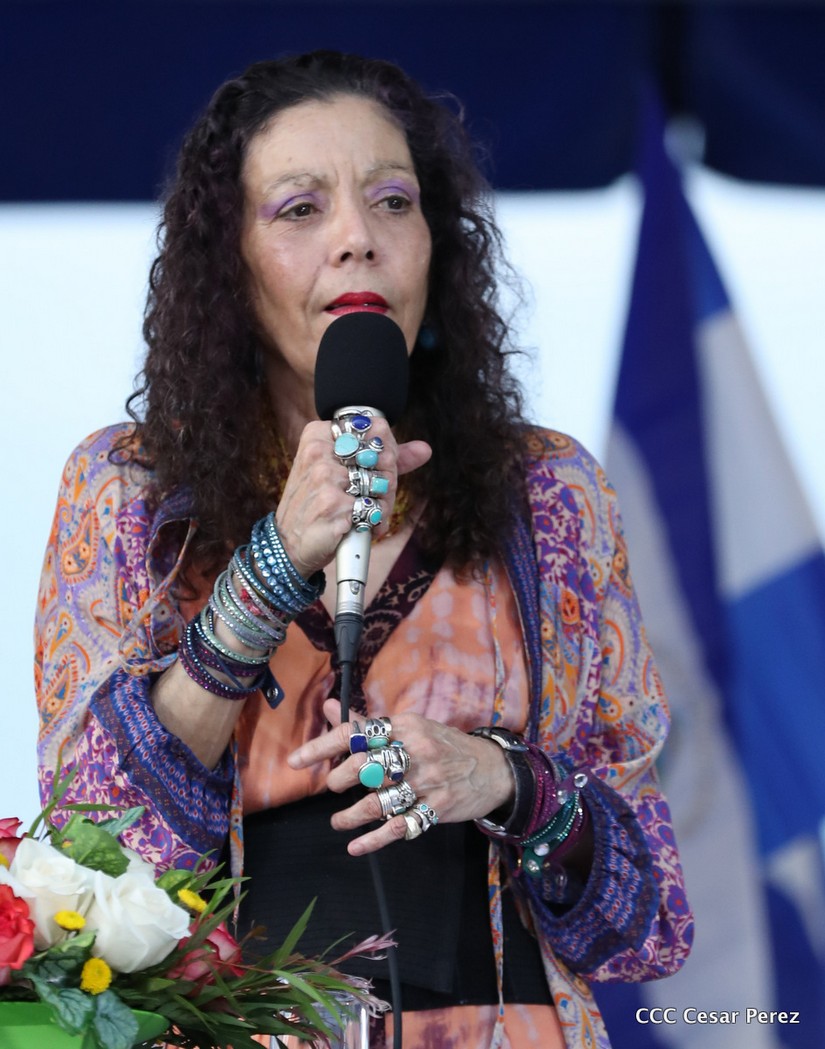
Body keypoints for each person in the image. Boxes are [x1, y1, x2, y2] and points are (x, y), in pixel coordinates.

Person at [35, 50, 693, 1049]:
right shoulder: (130, 491)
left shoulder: (548, 492)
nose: (357, 238)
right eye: (300, 209)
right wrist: (271, 564)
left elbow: (649, 914)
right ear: (229, 264)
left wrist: (506, 779)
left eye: (393, 201)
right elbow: (92, 850)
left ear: (437, 244)